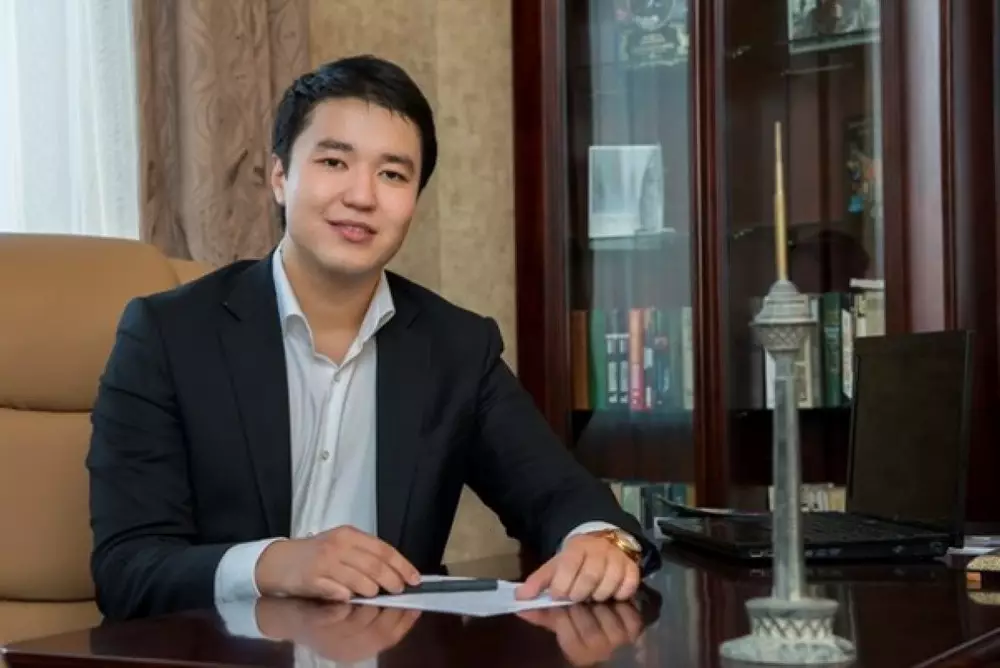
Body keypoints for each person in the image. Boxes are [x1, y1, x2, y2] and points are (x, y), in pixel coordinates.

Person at [87, 54, 660, 622]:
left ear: (414, 201)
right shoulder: (168, 335)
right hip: (219, 656)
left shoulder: (456, 348)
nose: (362, 196)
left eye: (392, 174)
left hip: (390, 653)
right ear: (281, 177)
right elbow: (127, 571)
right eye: (334, 162)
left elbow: (561, 495)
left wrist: (600, 540)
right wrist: (273, 563)